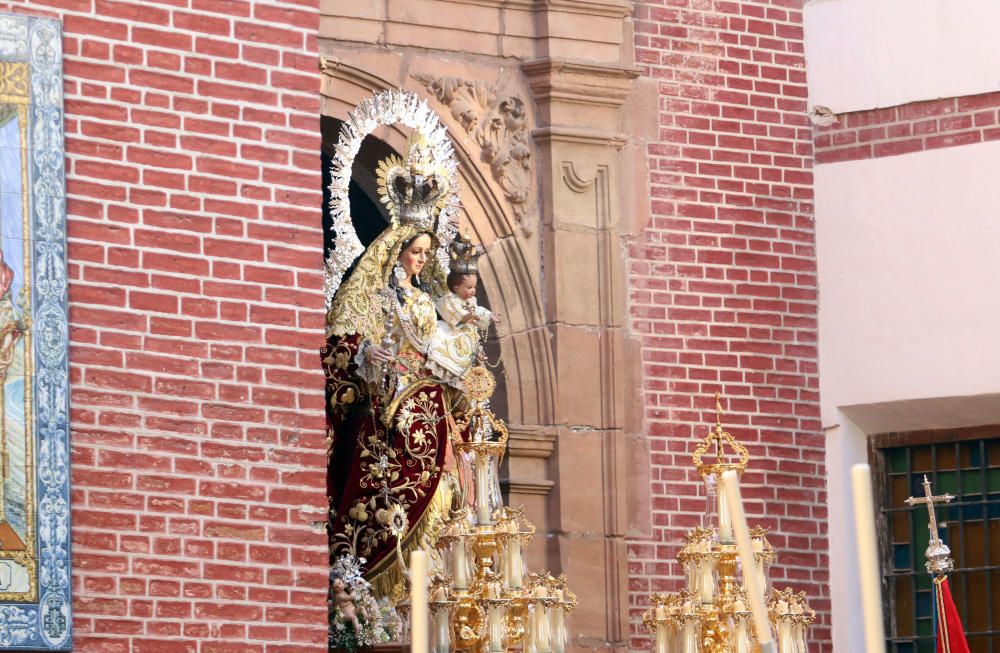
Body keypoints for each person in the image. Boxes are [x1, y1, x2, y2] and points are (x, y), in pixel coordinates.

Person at [322, 132, 466, 599]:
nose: (421, 261)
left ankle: (432, 584)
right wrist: (366, 355)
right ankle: (383, 584)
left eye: (426, 253)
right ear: (396, 249)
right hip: (388, 403)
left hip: (424, 399)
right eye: (414, 251)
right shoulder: (374, 295)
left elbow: (440, 350)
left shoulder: (428, 301)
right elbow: (343, 346)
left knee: (448, 482)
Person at [426, 234, 500, 386]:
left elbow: (478, 311)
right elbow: (460, 317)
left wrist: (490, 316)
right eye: (469, 287)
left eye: (474, 287)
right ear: (455, 287)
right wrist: (473, 316)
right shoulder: (448, 300)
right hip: (452, 336)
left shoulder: (471, 301)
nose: (473, 291)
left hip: (467, 340)